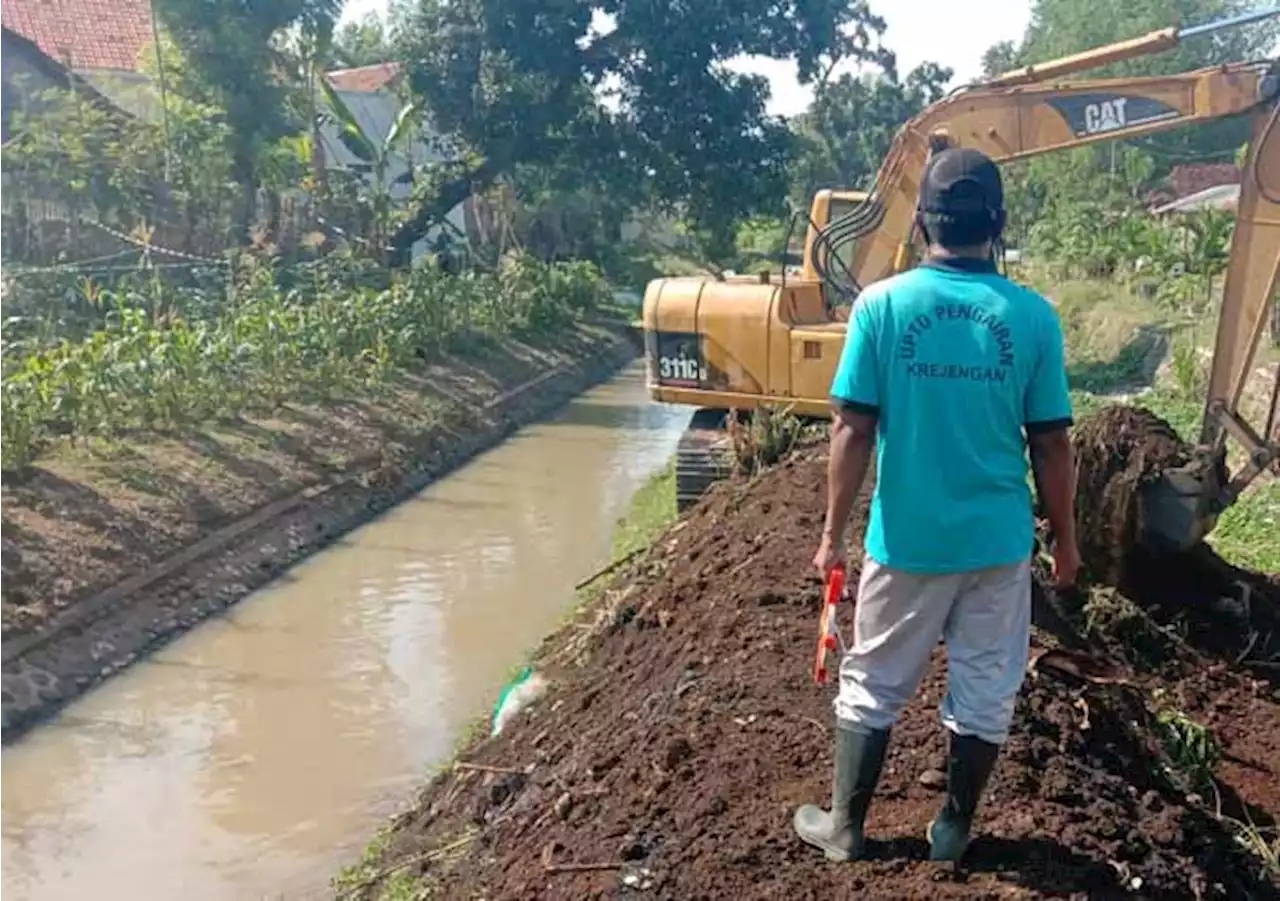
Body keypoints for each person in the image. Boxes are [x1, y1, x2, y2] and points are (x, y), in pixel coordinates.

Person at [793, 147, 1081, 864]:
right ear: (999, 222)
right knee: (987, 685)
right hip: (997, 543)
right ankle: (953, 829)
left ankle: (846, 827)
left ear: (921, 221)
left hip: (909, 539)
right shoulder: (1034, 317)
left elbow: (853, 426)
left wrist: (833, 534)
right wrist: (1067, 540)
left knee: (874, 681)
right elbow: (1051, 444)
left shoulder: (882, 306)